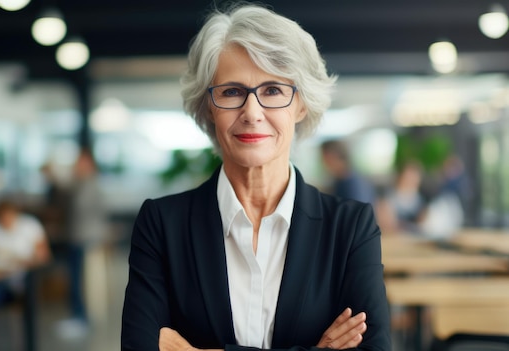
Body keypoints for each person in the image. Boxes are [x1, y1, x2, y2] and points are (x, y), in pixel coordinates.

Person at [122, 5, 391, 351]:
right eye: (232, 92)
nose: (252, 113)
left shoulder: (351, 228)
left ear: (301, 104)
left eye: (273, 91)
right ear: (209, 106)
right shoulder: (161, 225)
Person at [0, 199, 51, 331]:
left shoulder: (30, 226)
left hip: (24, 281)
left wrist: (27, 258)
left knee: (26, 299)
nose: (6, 221)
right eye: (2, 217)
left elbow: (44, 255)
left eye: (9, 216)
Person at [56, 148, 109, 338]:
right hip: (76, 237)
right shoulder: (80, 184)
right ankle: (78, 316)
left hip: (86, 239)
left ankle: (81, 319)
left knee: (82, 281)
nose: (77, 166)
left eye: (81, 163)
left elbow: (80, 207)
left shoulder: (89, 184)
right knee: (75, 279)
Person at [319, 139, 375, 204]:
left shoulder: (351, 184)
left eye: (323, 157)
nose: (322, 162)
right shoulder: (346, 178)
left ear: (332, 156)